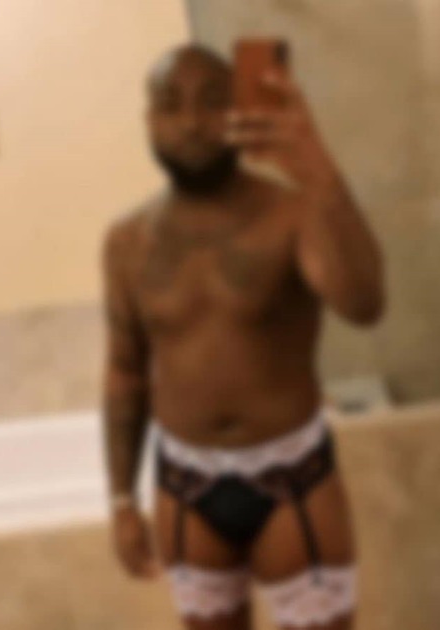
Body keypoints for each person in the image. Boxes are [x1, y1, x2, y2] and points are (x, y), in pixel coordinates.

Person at [101, 42, 386, 630]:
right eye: (170, 103)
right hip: (184, 484)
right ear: (149, 120)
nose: (190, 122)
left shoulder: (292, 214)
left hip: (292, 477)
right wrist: (121, 500)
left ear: (238, 110)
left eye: (212, 101)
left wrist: (317, 168)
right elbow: (126, 373)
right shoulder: (126, 242)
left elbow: (365, 304)